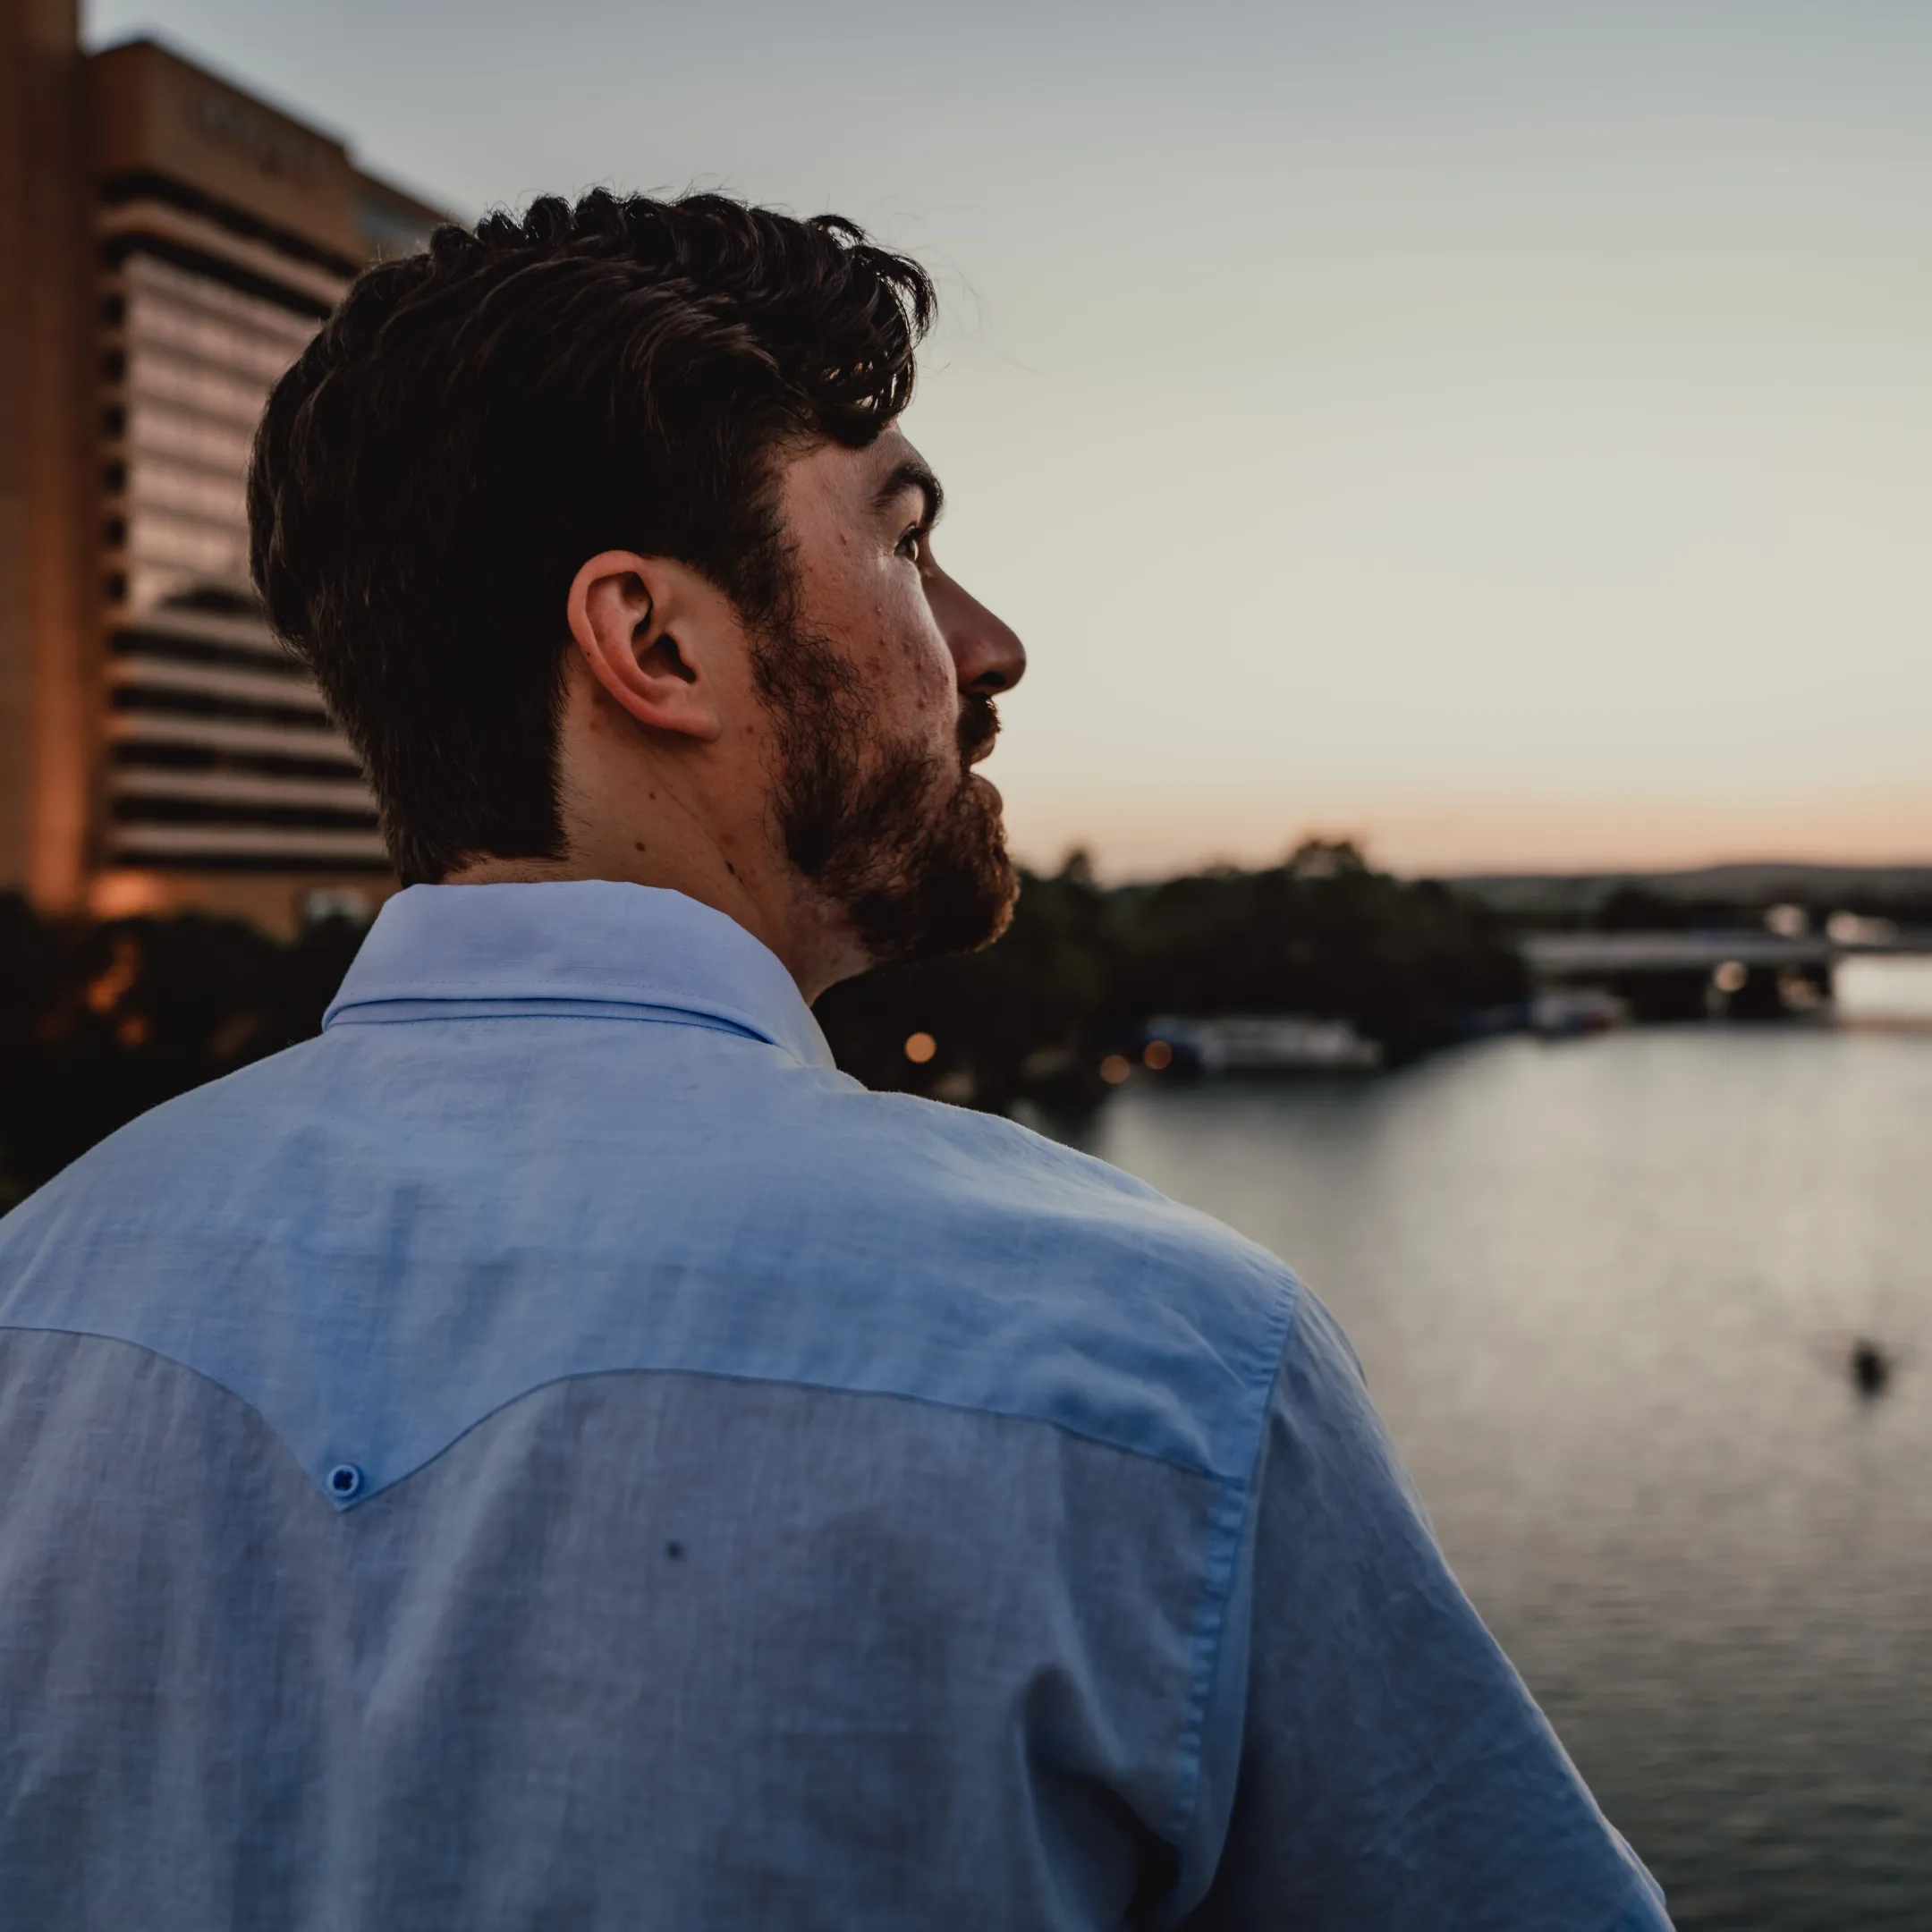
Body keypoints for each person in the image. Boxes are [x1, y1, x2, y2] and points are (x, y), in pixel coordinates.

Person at [0, 191, 1670, 1929]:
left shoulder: (25, 1307)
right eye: (906, 541)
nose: (989, 643)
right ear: (654, 644)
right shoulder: (1149, 1359)